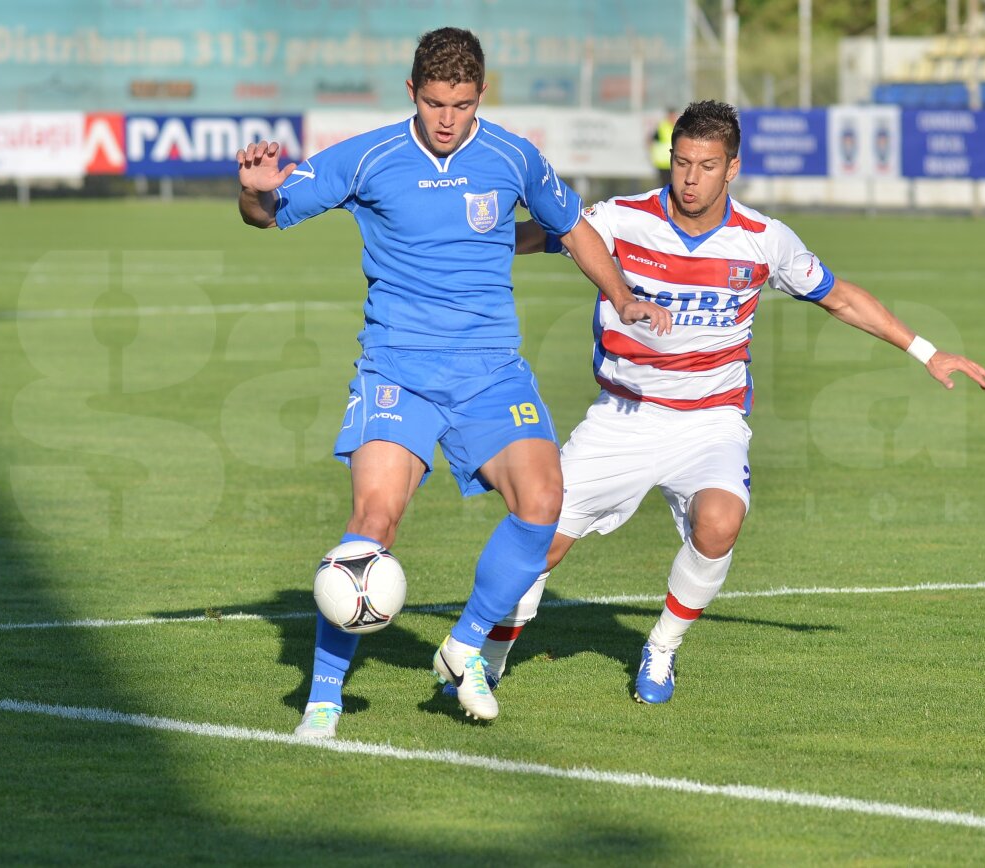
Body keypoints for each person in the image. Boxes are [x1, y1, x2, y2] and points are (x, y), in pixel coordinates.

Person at [480, 100, 985, 704]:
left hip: (711, 423)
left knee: (720, 523)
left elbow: (840, 298)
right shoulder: (622, 218)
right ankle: (485, 659)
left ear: (733, 168)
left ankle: (663, 649)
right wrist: (465, 240)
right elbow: (547, 234)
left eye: (706, 165)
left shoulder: (764, 240)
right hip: (623, 417)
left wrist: (925, 350)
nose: (690, 178)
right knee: (540, 545)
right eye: (681, 162)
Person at [235, 27, 670, 738]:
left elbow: (572, 227)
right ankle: (322, 698)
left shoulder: (512, 156)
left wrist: (622, 297)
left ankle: (463, 645)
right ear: (412, 93)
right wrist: (252, 194)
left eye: (462, 104)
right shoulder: (369, 156)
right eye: (435, 102)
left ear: (481, 97)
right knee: (373, 526)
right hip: (397, 371)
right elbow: (269, 213)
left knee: (544, 500)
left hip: (492, 372)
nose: (447, 118)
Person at [650, 107, 677, 189]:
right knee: (664, 185)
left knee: (674, 184)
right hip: (662, 161)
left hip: (673, 160)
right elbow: (652, 140)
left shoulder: (677, 126)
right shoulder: (662, 126)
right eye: (671, 116)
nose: (673, 118)